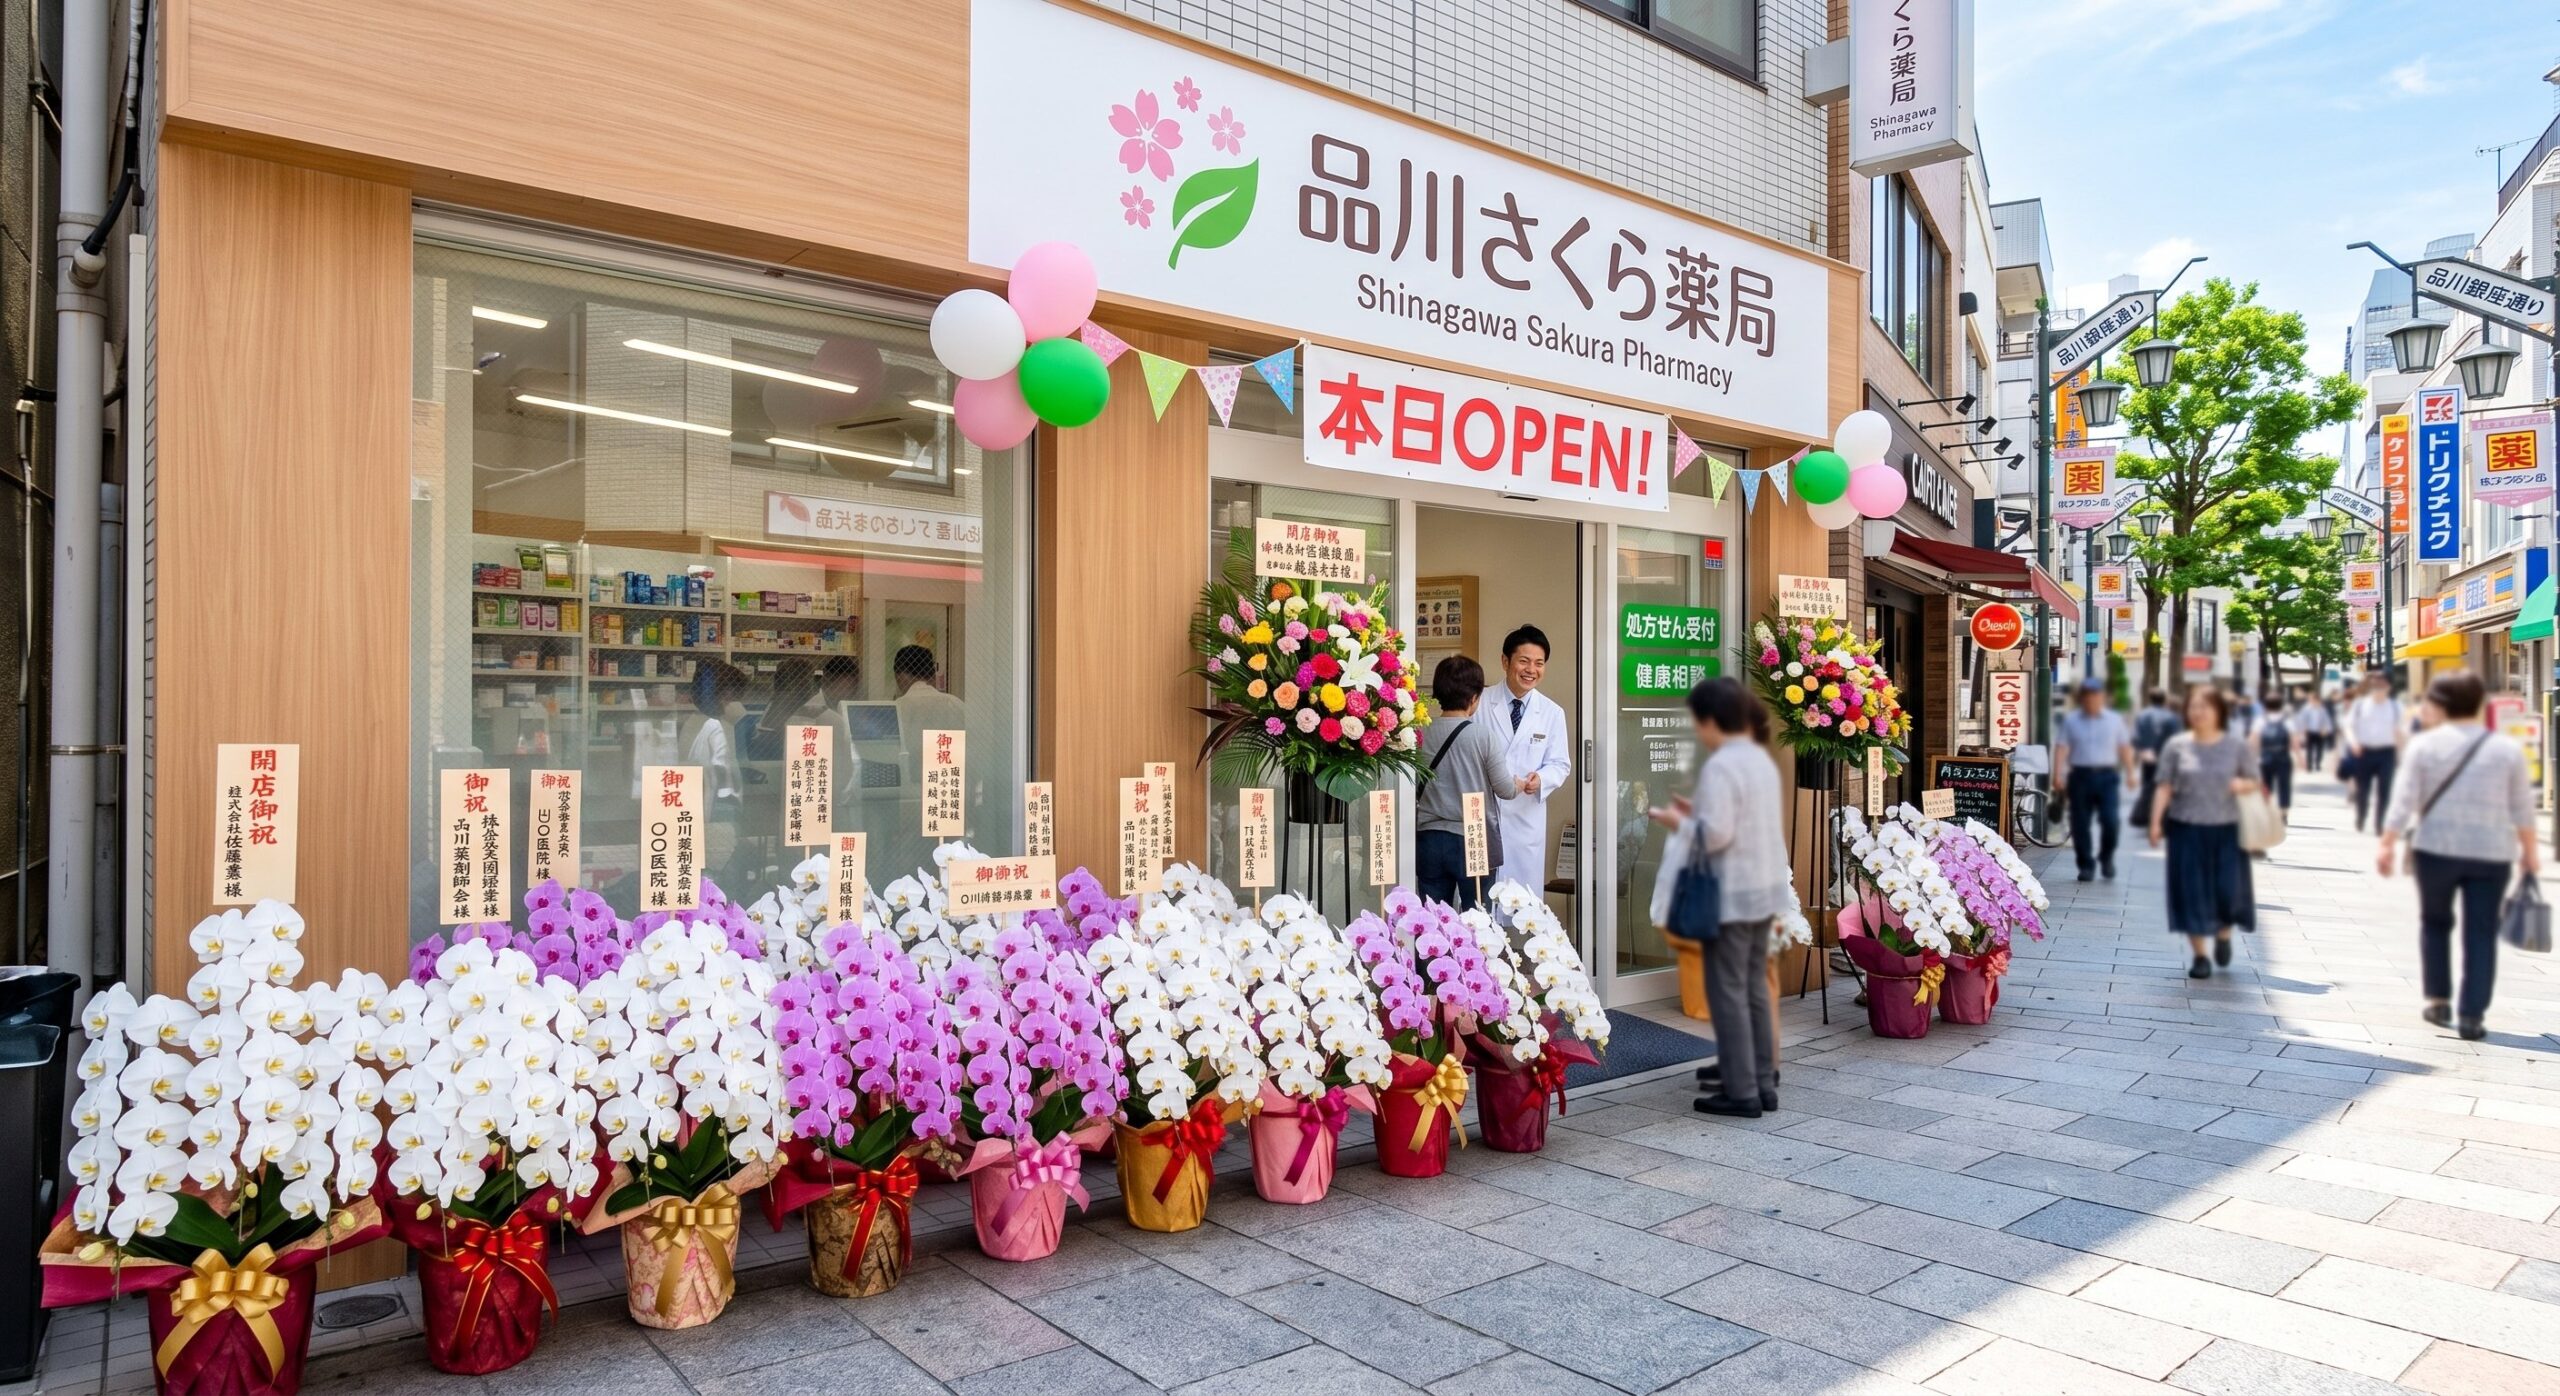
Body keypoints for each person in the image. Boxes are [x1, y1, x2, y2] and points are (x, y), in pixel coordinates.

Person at [1645, 677, 1789, 1120]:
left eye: (1698, 721)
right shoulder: (1759, 759)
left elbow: (1717, 835)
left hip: (1731, 895)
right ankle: (1762, 1081)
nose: (1698, 730)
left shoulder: (1723, 765)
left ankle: (1742, 1091)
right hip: (1763, 889)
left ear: (1711, 720)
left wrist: (1678, 822)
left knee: (1728, 991)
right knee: (1754, 988)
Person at [2377, 670, 2537, 1041]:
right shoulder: (2505, 750)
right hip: (2491, 853)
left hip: (2436, 849)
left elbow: (2403, 802)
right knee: (2481, 931)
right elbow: (2522, 808)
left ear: (2441, 704)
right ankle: (2472, 1015)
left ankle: (2438, 1001)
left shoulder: (2424, 747)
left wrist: (2387, 843)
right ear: (2480, 703)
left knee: (2435, 922)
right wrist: (2530, 852)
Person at [2149, 685, 2259, 979]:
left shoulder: (2236, 746)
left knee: (2227, 891)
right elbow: (2164, 786)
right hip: (2185, 829)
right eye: (2193, 706)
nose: (2198, 712)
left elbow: (2254, 780)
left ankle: (2223, 934)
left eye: (2204, 706)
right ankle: (2200, 955)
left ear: (2219, 711)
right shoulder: (2176, 746)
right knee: (2191, 893)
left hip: (2227, 830)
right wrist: (2155, 822)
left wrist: (2242, 785)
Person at [1415, 656, 1521, 910]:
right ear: (1474, 698)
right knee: (1477, 919)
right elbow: (1505, 790)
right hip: (1472, 839)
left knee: (1433, 920)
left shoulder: (1420, 734)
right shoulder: (1483, 736)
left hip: (1429, 839)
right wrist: (1519, 783)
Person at [1492, 625, 1573, 889]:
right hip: (1485, 818)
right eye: (1524, 661)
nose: (1531, 670)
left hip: (1525, 821)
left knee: (1522, 903)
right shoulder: (1480, 703)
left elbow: (1560, 764)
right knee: (1481, 901)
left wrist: (1542, 778)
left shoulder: (1552, 712)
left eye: (1539, 663)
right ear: (1505, 661)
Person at [2053, 679, 2134, 881]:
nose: (2091, 699)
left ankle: (2106, 857)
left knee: (2110, 820)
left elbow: (2124, 747)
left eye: (2095, 695)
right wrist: (2057, 774)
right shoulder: (2071, 721)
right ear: (2082, 698)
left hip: (2107, 777)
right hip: (2080, 776)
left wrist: (2131, 773)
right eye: (2087, 695)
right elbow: (2062, 747)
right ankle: (2086, 865)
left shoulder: (2114, 720)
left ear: (2102, 697)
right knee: (2080, 822)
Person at [2342, 671, 2406, 833]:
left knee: (2385, 790)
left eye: (2381, 684)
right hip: (2364, 751)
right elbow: (2349, 726)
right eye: (2375, 684)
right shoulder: (2360, 705)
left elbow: (2400, 731)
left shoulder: (2395, 707)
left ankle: (2380, 824)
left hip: (2387, 752)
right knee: (2362, 789)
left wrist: (2402, 754)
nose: (2378, 687)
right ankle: (2361, 816)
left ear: (2389, 687)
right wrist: (2354, 743)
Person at [2130, 688, 2183, 832]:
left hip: (2148, 756)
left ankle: (2147, 816)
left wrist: (2140, 752)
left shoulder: (2142, 715)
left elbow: (2136, 737)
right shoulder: (2171, 717)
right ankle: (2162, 818)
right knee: (2164, 785)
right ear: (2164, 699)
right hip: (2166, 756)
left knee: (2148, 785)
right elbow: (2177, 737)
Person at [2255, 692, 2304, 816]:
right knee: (2284, 784)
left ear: (2266, 706)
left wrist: (2252, 757)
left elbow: (2254, 741)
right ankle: (2284, 811)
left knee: (2266, 785)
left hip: (2265, 757)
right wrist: (2300, 758)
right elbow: (2294, 741)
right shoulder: (2287, 721)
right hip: (2283, 756)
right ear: (2281, 706)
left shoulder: (2260, 721)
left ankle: (2266, 809)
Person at [2296, 686, 2335, 772]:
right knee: (2309, 749)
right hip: (2309, 731)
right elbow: (2302, 719)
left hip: (2320, 731)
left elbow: (2327, 720)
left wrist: (2327, 729)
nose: (2313, 702)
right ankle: (2309, 765)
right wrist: (2303, 729)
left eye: (2315, 700)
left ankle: (2317, 764)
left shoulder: (2322, 709)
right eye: (2311, 700)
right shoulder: (2306, 709)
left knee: (2320, 749)